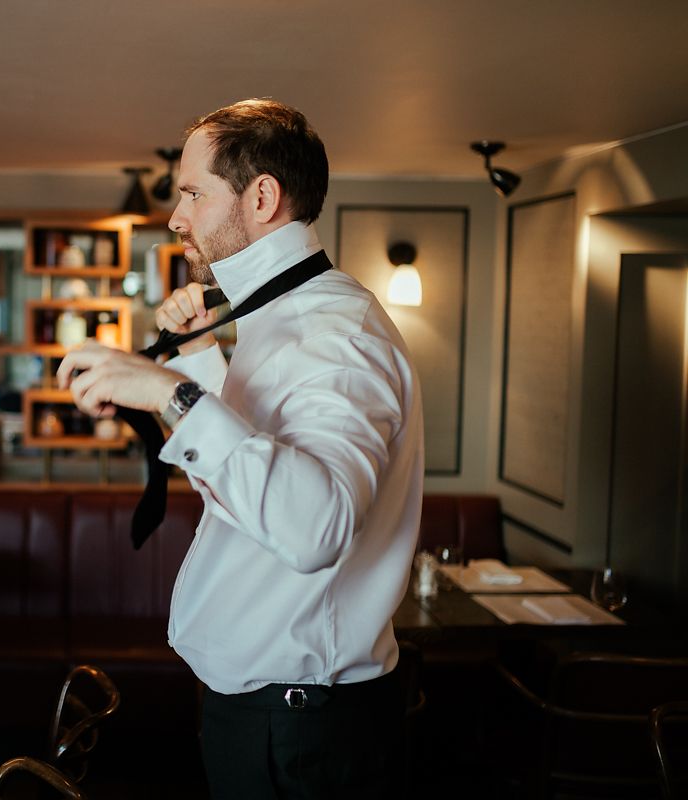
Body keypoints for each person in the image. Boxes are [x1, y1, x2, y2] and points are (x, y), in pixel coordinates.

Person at [55, 99, 423, 798]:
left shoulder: (335, 335)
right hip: (271, 718)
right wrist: (195, 359)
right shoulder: (278, 320)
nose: (176, 217)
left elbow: (315, 527)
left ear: (261, 196)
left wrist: (170, 394)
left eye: (192, 192)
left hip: (303, 730)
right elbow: (253, 492)